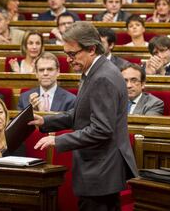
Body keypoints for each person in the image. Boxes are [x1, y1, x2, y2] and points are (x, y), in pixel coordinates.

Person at [30, 21, 138, 211]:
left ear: (91, 49)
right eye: (66, 54)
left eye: (73, 54)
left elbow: (101, 130)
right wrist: (46, 121)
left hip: (101, 170)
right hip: (100, 168)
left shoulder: (102, 77)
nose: (69, 60)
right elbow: (82, 114)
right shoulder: (94, 71)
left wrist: (59, 141)